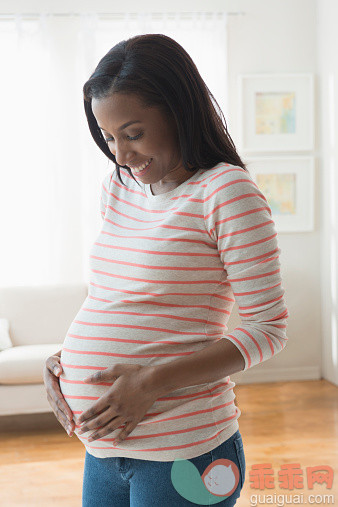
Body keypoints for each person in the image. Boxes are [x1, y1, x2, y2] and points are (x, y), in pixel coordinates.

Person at [43, 33, 289, 506]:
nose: (120, 155)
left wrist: (150, 382)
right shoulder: (119, 187)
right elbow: (117, 299)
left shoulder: (225, 193)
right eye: (108, 136)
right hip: (104, 451)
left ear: (179, 111)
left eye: (133, 134)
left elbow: (268, 330)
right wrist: (63, 363)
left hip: (185, 452)